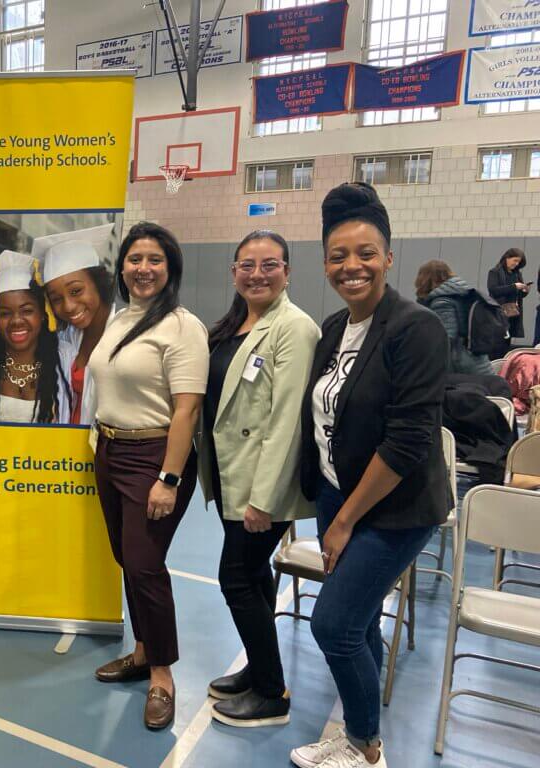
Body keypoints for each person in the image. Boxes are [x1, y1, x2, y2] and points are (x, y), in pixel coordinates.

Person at [291, 183, 448, 768]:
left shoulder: (416, 328)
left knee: (332, 625)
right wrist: (326, 505)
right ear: (326, 263)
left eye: (365, 253)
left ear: (388, 256)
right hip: (340, 497)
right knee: (357, 622)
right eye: (338, 256)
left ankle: (366, 747)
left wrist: (344, 521)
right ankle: (361, 733)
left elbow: (409, 441)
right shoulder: (334, 329)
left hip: (394, 510)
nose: (351, 266)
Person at [89, 222, 207, 731]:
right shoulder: (119, 319)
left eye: (154, 260)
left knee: (144, 565)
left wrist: (170, 478)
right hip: (111, 451)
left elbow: (187, 411)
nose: (143, 268)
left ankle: (162, 674)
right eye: (135, 259)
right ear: (122, 267)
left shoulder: (182, 326)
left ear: (170, 268)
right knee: (126, 557)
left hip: (155, 456)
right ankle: (141, 651)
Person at [198, 230, 319, 728]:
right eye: (247, 264)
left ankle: (272, 693)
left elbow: (286, 419)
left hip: (260, 485)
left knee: (235, 577)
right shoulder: (233, 325)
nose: (257, 273)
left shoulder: (295, 328)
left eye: (270, 264)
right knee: (253, 575)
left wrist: (263, 499)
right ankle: (258, 666)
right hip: (232, 472)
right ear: (234, 272)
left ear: (287, 271)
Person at [0, 250, 72, 423]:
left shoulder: (65, 358)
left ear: (42, 313)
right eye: (4, 313)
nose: (16, 321)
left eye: (27, 311)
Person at [33, 224, 117, 425]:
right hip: (68, 450)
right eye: (56, 299)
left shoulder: (122, 331)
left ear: (98, 282)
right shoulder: (68, 337)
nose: (68, 306)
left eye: (76, 291)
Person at [414, 260, 492, 376]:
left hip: (460, 363)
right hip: (477, 356)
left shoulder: (442, 302)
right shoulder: (461, 293)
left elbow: (446, 337)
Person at [487, 247, 529, 355]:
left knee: (507, 343)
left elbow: (519, 294)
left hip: (513, 313)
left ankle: (502, 367)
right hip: (499, 313)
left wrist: (524, 290)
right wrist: (513, 286)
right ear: (507, 258)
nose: (516, 264)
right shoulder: (494, 272)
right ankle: (494, 366)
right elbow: (493, 290)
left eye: (518, 262)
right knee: (497, 343)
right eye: (515, 260)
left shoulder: (517, 274)